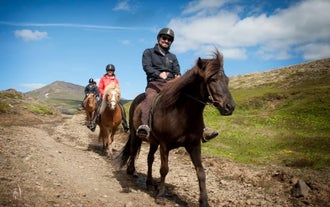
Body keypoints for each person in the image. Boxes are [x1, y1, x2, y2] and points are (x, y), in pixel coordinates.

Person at [136, 27, 218, 142]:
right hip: (154, 83)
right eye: (164, 38)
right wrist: (159, 74)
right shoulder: (148, 52)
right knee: (150, 97)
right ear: (159, 38)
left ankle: (202, 130)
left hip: (171, 84)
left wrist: (178, 78)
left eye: (169, 39)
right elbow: (147, 67)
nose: (166, 41)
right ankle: (145, 126)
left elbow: (177, 71)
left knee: (190, 100)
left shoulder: (172, 57)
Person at [89, 64, 129, 132]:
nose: (110, 71)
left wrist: (117, 93)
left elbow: (117, 88)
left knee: (121, 107)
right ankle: (93, 122)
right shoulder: (103, 79)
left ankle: (125, 123)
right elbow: (100, 88)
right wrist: (105, 93)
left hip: (113, 97)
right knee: (98, 107)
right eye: (109, 70)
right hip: (105, 97)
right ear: (107, 71)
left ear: (113, 71)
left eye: (111, 70)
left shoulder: (116, 80)